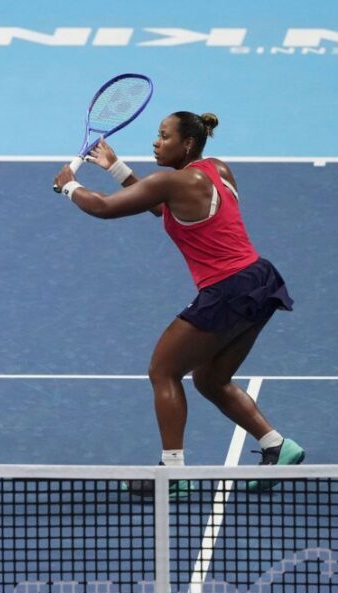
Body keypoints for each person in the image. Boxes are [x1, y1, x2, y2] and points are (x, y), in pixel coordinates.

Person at [52, 111, 304, 498]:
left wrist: (69, 185)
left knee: (163, 370)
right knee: (210, 380)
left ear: (186, 144)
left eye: (164, 136)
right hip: (260, 280)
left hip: (227, 290)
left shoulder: (171, 181)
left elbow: (103, 207)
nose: (156, 142)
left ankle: (173, 473)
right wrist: (116, 168)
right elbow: (163, 206)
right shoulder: (217, 169)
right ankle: (277, 445)